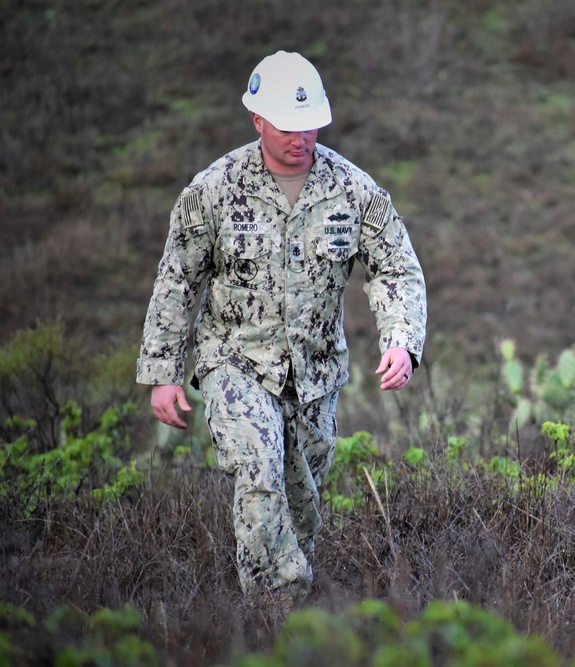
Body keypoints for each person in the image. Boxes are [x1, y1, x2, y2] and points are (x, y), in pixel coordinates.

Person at [136, 50, 427, 611]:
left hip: (315, 372)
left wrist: (401, 339)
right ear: (258, 122)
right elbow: (178, 279)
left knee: (301, 500)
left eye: (311, 124)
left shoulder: (355, 190)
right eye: (288, 127)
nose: (302, 137)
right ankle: (278, 615)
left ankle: (293, 611)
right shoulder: (213, 191)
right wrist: (163, 373)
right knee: (258, 468)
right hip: (236, 361)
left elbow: (396, 266)